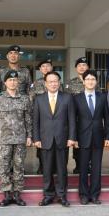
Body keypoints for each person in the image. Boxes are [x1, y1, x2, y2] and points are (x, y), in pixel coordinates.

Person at [0, 70, 32, 207]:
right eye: (10, 80)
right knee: (4, 167)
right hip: (4, 139)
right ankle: (7, 194)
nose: (13, 82)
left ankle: (18, 194)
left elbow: (28, 119)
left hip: (20, 139)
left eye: (15, 80)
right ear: (5, 82)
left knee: (19, 166)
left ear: (18, 82)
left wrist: (30, 136)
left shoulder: (24, 98)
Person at [33, 71, 76, 207]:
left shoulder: (67, 98)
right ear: (46, 84)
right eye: (50, 81)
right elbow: (36, 121)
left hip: (62, 139)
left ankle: (62, 196)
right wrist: (36, 138)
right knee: (47, 170)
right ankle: (48, 195)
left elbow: (72, 120)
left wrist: (71, 137)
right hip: (45, 140)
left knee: (62, 169)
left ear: (59, 82)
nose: (53, 84)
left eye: (55, 81)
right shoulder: (39, 99)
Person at [74, 70, 109, 205]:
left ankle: (95, 195)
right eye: (88, 79)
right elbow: (73, 120)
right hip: (82, 138)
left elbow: (107, 118)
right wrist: (74, 138)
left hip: (98, 137)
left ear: (96, 82)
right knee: (83, 168)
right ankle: (83, 195)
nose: (90, 81)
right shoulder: (76, 98)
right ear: (83, 81)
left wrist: (108, 136)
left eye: (93, 79)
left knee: (96, 168)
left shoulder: (102, 97)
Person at [63, 57, 89, 174]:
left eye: (84, 65)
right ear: (76, 68)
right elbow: (66, 101)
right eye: (80, 65)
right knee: (76, 142)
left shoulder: (91, 80)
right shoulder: (70, 83)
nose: (82, 67)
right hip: (76, 118)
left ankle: (88, 164)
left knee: (88, 142)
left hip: (89, 119)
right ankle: (78, 165)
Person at [29, 59, 53, 174]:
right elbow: (31, 100)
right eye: (43, 66)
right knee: (41, 144)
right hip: (41, 118)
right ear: (40, 69)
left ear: (51, 68)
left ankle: (53, 167)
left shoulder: (57, 82)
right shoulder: (35, 84)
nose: (45, 68)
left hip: (54, 118)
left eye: (48, 66)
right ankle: (42, 165)